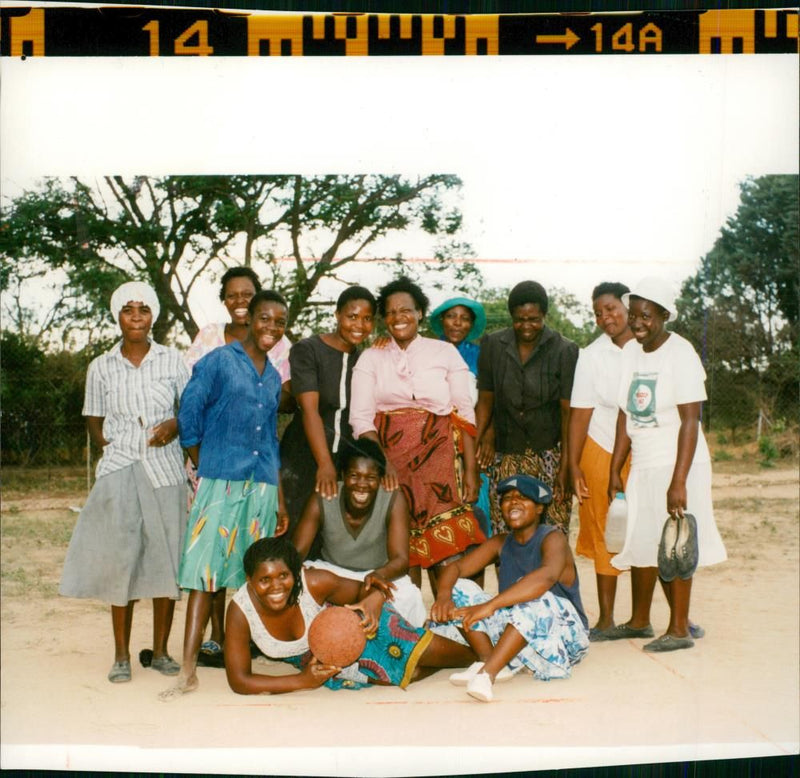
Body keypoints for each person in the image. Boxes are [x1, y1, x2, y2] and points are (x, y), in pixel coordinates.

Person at [160, 290, 291, 700]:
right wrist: (202, 460)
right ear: (249, 318)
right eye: (265, 319)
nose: (271, 328)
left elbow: (270, 437)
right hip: (219, 481)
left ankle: (244, 657)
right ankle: (187, 670)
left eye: (280, 322)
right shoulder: (219, 360)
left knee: (252, 574)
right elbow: (189, 411)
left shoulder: (272, 376)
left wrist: (280, 498)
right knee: (205, 574)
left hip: (262, 485)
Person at [59, 282, 189, 684]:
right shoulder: (101, 366)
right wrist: (111, 449)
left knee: (166, 559)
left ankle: (163, 651)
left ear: (154, 316)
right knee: (123, 561)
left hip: (166, 471)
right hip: (120, 470)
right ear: (117, 316)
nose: (136, 317)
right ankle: (120, 656)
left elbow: (193, 410)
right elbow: (93, 419)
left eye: (144, 310)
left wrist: (175, 424)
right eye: (128, 310)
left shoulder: (173, 361)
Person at [607, 277, 727, 652]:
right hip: (643, 461)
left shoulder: (682, 353)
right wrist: (616, 466)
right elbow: (626, 415)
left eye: (646, 315)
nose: (638, 322)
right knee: (641, 540)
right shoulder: (629, 353)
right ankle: (640, 620)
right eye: (634, 314)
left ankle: (679, 629)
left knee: (676, 543)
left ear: (663, 315)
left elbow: (691, 421)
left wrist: (679, 481)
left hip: (679, 461)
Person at [349, 276, 486, 593]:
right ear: (384, 318)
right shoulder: (371, 357)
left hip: (440, 458)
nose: (399, 318)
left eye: (407, 310)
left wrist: (470, 471)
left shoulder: (444, 352)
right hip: (387, 456)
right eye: (391, 312)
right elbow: (360, 418)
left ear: (421, 313)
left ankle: (446, 619)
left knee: (446, 548)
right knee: (401, 547)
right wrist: (384, 464)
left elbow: (464, 412)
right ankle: (409, 624)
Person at [223, 536, 477, 694]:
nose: (276, 587)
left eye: (283, 576)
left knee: (412, 652)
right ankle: (445, 635)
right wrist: (301, 681)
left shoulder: (314, 582)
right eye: (264, 580)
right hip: (328, 656)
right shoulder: (240, 611)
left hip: (358, 624)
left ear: (295, 572)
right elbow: (240, 681)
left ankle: (480, 655)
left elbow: (371, 590)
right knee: (399, 676)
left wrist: (375, 600)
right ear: (249, 580)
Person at [429, 474, 589, 703]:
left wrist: (489, 606)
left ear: (539, 508)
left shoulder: (553, 538)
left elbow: (545, 578)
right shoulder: (501, 542)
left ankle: (487, 674)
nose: (513, 502)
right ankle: (491, 659)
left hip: (563, 635)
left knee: (536, 597)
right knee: (460, 588)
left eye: (523, 498)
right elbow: (455, 568)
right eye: (507, 498)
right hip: (517, 630)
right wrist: (444, 596)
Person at [476, 281, 579, 535]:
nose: (526, 326)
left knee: (552, 531)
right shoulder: (492, 346)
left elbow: (567, 413)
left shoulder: (565, 350)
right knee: (507, 530)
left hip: (549, 455)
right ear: (512, 317)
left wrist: (565, 465)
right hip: (506, 454)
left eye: (533, 319)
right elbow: (486, 400)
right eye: (519, 319)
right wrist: (478, 441)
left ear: (544, 315)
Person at [291, 438, 426, 627]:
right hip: (333, 577)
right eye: (354, 475)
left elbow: (401, 559)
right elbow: (296, 552)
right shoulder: (323, 497)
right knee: (299, 584)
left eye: (370, 478)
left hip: (377, 576)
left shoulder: (393, 500)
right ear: (343, 475)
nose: (362, 484)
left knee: (409, 597)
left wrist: (380, 574)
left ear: (380, 479)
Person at [279, 286, 376, 538]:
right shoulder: (307, 350)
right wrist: (324, 463)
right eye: (352, 316)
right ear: (337, 315)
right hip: (303, 456)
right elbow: (310, 410)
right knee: (296, 527)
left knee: (330, 535)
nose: (359, 324)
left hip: (345, 459)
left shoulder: (365, 359)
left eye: (367, 319)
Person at [568, 282, 633, 638]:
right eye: (598, 313)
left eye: (610, 308)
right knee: (607, 530)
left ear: (628, 305)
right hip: (602, 447)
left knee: (648, 528)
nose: (605, 318)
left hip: (648, 450)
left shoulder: (650, 345)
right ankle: (606, 619)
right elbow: (579, 413)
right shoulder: (591, 355)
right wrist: (573, 465)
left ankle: (654, 617)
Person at [428, 296, 492, 539]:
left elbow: (488, 398)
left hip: (471, 439)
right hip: (433, 442)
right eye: (451, 316)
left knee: (475, 513)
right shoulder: (427, 351)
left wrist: (488, 435)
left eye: (465, 319)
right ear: (442, 320)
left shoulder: (481, 355)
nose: (457, 323)